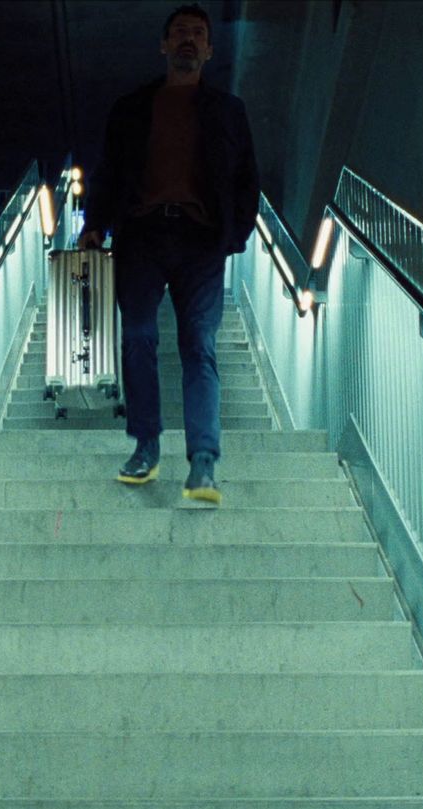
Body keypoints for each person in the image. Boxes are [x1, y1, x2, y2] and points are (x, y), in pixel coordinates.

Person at [79, 2, 259, 506]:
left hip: (202, 242)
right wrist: (94, 224)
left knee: (199, 343)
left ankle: (203, 462)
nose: (187, 40)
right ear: (163, 45)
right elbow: (109, 170)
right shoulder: (132, 108)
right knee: (137, 338)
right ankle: (146, 446)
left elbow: (248, 180)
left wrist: (236, 234)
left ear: (208, 49)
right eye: (179, 32)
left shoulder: (229, 110)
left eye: (197, 34)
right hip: (140, 237)